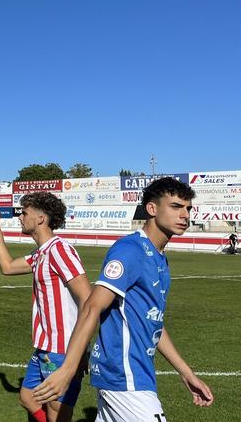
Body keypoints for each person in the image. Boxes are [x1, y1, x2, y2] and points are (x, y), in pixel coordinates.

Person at [33, 177, 214, 419]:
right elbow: (91, 307)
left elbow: (153, 323)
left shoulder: (159, 258)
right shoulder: (130, 251)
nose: (185, 215)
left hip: (136, 373)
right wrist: (68, 368)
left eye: (188, 208)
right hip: (124, 375)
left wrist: (186, 373)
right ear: (152, 209)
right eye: (175, 206)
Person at [0, 192, 91, 422]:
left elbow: (87, 298)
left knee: (57, 412)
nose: (20, 217)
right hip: (45, 346)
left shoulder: (59, 249)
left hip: (63, 348)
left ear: (41, 219)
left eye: (24, 212)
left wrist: (83, 349)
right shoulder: (40, 253)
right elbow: (8, 267)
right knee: (28, 396)